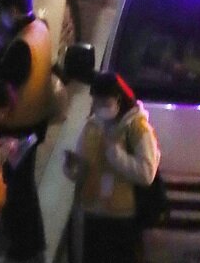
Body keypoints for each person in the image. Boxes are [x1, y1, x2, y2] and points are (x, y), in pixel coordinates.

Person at [0, 0, 55, 263]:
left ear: (13, 8)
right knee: (24, 187)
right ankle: (32, 241)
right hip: (36, 120)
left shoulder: (20, 46)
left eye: (3, 8)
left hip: (16, 127)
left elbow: (4, 92)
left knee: (15, 191)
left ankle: (22, 246)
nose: (0, 13)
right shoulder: (39, 28)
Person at [63, 71, 160, 263]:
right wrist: (71, 167)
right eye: (95, 101)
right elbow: (83, 169)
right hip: (92, 213)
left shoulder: (137, 128)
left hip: (121, 218)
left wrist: (114, 153)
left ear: (117, 98)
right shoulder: (92, 125)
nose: (97, 106)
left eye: (102, 101)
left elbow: (147, 173)